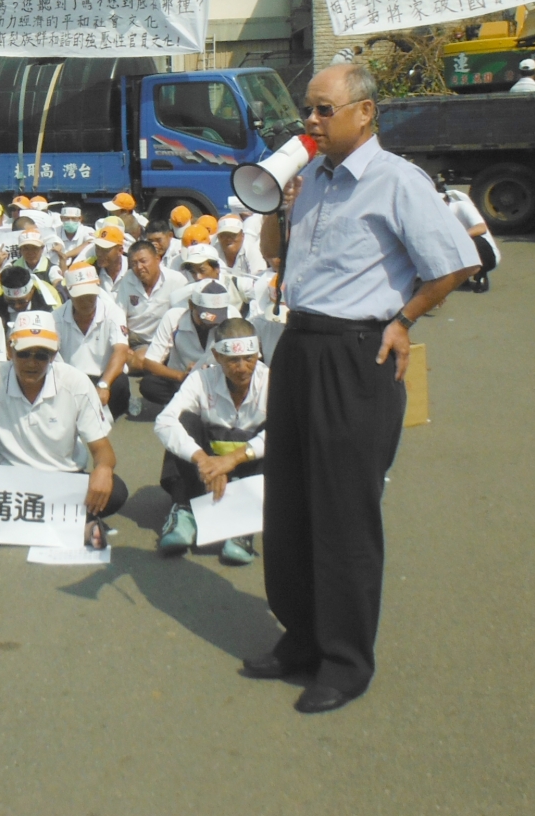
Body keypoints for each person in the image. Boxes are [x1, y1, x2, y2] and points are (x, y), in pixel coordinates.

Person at [248, 62, 478, 714]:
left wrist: (404, 320)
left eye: (323, 110)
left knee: (344, 514)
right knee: (288, 504)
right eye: (308, 111)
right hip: (300, 346)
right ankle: (301, 636)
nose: (310, 122)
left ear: (364, 112)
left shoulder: (397, 181)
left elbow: (455, 262)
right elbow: (281, 260)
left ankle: (345, 661)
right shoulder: (311, 179)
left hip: (358, 353)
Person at [0, 310, 127, 548]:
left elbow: (102, 448)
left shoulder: (76, 383)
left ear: (54, 355)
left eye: (42, 355)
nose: (32, 363)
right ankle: (70, 525)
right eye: (23, 354)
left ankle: (2, 525)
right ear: (9, 350)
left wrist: (104, 468)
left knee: (115, 490)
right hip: (11, 483)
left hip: (63, 480)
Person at [153, 318, 269, 565]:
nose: (242, 367)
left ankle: (242, 527)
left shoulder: (272, 381)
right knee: (184, 421)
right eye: (233, 361)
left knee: (277, 433)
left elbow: (286, 433)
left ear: (258, 351)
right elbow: (164, 422)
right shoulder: (200, 380)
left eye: (249, 358)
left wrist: (231, 460)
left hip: (249, 466)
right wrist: (203, 460)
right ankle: (183, 509)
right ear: (216, 356)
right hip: (208, 463)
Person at [138, 280, 239, 409]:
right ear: (191, 305)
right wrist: (180, 376)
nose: (211, 323)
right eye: (206, 317)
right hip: (183, 379)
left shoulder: (232, 316)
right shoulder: (174, 317)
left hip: (219, 378)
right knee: (149, 385)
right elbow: (150, 362)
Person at [52, 265, 130, 417]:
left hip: (104, 377)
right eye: (81, 296)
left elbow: (121, 351)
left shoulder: (113, 312)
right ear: (68, 292)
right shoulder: (55, 318)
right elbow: (52, 358)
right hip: (71, 380)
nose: (87, 301)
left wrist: (103, 385)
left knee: (120, 384)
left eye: (91, 295)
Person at [114, 239, 190, 364]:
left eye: (143, 261)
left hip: (164, 339)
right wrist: (123, 345)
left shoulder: (176, 281)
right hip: (136, 338)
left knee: (142, 360)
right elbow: (119, 315)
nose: (139, 267)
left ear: (157, 259)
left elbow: (183, 316)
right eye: (133, 263)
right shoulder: (128, 279)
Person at [439, 182, 500, 288]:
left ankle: (481, 273)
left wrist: (459, 237)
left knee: (475, 240)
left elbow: (481, 228)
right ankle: (460, 276)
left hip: (486, 253)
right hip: (458, 252)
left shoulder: (462, 206)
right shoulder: (434, 216)